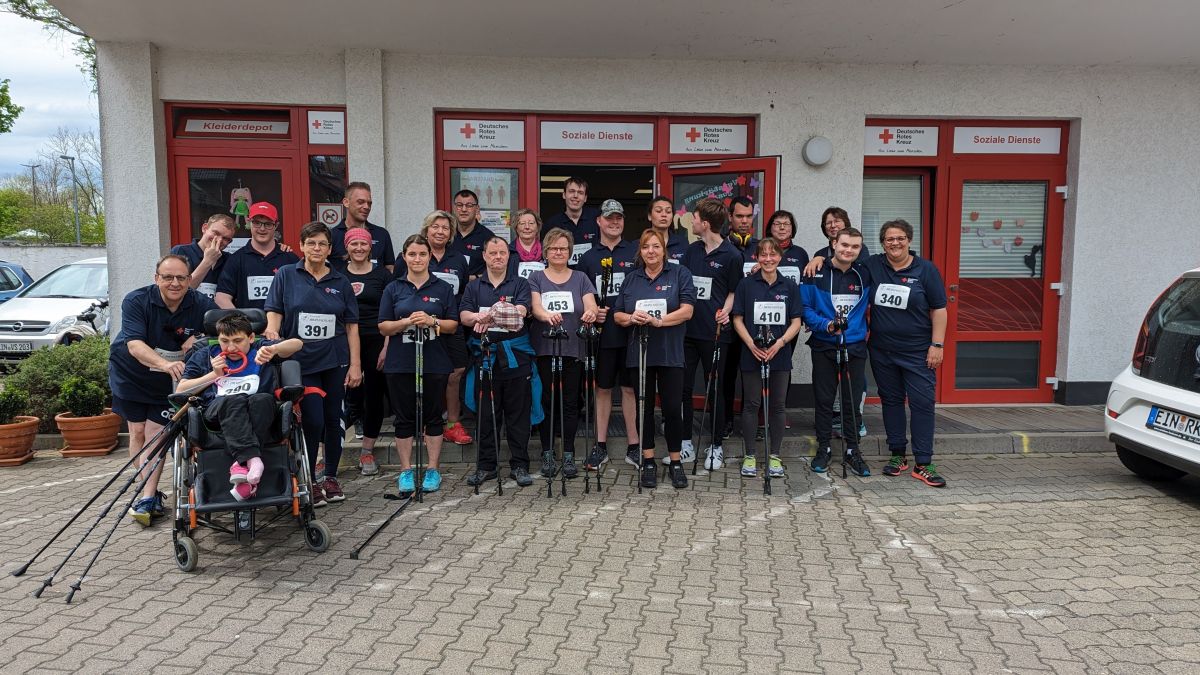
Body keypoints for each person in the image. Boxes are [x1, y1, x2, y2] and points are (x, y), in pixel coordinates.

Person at [808, 219, 948, 487]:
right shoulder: (873, 266)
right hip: (882, 351)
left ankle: (923, 462)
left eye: (900, 238)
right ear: (882, 243)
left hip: (919, 350)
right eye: (889, 239)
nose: (895, 243)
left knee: (921, 404)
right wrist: (817, 258)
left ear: (909, 240)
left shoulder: (926, 270)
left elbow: (939, 309)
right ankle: (897, 455)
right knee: (892, 402)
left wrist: (937, 344)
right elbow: (839, 257)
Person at [111, 254, 216, 525]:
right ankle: (152, 489)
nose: (174, 283)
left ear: (189, 279)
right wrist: (163, 364)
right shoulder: (136, 300)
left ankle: (146, 498)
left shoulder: (201, 303)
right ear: (157, 278)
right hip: (132, 371)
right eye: (167, 277)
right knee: (136, 431)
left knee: (155, 433)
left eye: (181, 277)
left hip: (169, 380)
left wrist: (200, 341)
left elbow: (219, 333)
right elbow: (134, 345)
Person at [265, 221, 362, 506]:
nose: (317, 248)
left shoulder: (341, 282)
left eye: (322, 244)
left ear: (330, 249)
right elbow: (274, 311)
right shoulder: (286, 275)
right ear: (302, 246)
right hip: (300, 362)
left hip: (335, 360)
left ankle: (329, 477)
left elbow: (352, 326)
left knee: (334, 420)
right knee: (313, 419)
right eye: (311, 243)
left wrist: (356, 365)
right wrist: (272, 334)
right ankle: (308, 478)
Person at [178, 312, 303, 500]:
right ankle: (252, 460)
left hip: (259, 411)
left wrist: (274, 349)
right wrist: (214, 374)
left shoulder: (260, 348)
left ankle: (242, 465)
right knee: (234, 399)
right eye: (225, 341)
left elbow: (297, 344)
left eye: (238, 341)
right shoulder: (204, 354)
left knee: (261, 399)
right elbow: (181, 389)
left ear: (251, 338)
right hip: (217, 412)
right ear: (217, 339)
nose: (231, 347)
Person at [613, 229, 696, 489]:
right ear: (640, 251)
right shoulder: (631, 278)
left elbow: (687, 311)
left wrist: (658, 321)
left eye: (656, 247)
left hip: (670, 352)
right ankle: (648, 460)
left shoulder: (680, 273)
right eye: (646, 247)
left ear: (664, 250)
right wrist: (630, 318)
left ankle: (675, 462)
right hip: (640, 354)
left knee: (672, 409)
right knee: (644, 410)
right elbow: (617, 314)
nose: (651, 251)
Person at [379, 234, 459, 495]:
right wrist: (406, 322)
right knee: (404, 419)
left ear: (429, 257)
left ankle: (432, 469)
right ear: (404, 257)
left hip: (434, 361)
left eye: (422, 254)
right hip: (401, 362)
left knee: (433, 416)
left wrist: (432, 321)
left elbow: (452, 324)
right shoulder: (394, 287)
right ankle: (405, 471)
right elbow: (383, 326)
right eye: (412, 254)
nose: (417, 259)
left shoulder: (442, 288)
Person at [460, 237, 537, 488]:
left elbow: (523, 312)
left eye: (502, 252)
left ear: (508, 256)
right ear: (484, 255)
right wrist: (478, 316)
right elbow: (464, 316)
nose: (497, 257)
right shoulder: (474, 287)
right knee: (486, 415)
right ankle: (486, 466)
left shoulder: (521, 284)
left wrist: (492, 315)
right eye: (492, 252)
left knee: (518, 415)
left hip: (516, 359)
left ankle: (520, 465)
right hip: (486, 358)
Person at [398, 210, 475, 447]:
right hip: (417, 325)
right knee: (423, 373)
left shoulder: (459, 259)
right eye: (436, 227)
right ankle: (424, 422)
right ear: (427, 229)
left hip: (449, 323)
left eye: (445, 228)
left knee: (456, 371)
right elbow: (398, 290)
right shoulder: (414, 254)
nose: (440, 231)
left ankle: (452, 424)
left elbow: (463, 291)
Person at [800, 227, 872, 477]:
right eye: (844, 245)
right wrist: (826, 326)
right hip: (824, 344)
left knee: (851, 402)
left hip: (854, 346)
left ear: (860, 250)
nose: (848, 250)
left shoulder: (865, 273)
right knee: (824, 400)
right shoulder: (814, 271)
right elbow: (805, 307)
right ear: (833, 244)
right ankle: (824, 448)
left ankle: (853, 450)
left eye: (854, 247)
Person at [528, 227, 599, 478]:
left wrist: (590, 313)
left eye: (563, 248)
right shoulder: (536, 277)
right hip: (545, 348)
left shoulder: (580, 277)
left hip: (573, 348)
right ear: (545, 251)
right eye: (554, 248)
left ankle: (568, 453)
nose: (559, 252)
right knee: (547, 401)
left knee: (570, 403)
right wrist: (547, 316)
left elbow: (590, 303)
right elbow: (535, 308)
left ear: (570, 252)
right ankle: (547, 452)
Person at [577, 200, 641, 472]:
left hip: (630, 333)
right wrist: (591, 310)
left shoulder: (636, 251)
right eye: (609, 218)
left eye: (619, 218)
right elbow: (581, 294)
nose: (614, 223)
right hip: (603, 336)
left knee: (629, 389)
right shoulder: (589, 257)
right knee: (602, 389)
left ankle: (634, 445)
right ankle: (600, 446)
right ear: (599, 222)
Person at [731, 238, 803, 479]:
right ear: (757, 258)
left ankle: (775, 456)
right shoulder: (746, 285)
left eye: (773, 254)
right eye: (763, 254)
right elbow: (737, 318)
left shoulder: (790, 287)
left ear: (780, 257)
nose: (768, 259)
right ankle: (750, 455)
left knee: (778, 406)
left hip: (779, 354)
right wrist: (751, 343)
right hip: (752, 352)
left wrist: (781, 343)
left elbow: (796, 321)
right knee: (752, 404)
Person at [679, 198, 742, 469]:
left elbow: (734, 290)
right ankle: (683, 442)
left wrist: (726, 311)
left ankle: (715, 445)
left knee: (714, 389)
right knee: (681, 388)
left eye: (694, 218)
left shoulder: (732, 255)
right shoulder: (691, 251)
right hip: (686, 332)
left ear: (704, 224)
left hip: (715, 333)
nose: (691, 222)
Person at [337, 227, 393, 476]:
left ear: (371, 247)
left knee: (373, 396)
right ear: (346, 248)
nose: (359, 248)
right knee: (345, 397)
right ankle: (328, 452)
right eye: (353, 244)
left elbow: (392, 311)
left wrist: (387, 346)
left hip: (376, 341)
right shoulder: (337, 275)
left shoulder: (382, 275)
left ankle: (367, 450)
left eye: (363, 244)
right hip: (342, 342)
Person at [215, 202, 299, 311]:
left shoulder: (290, 259)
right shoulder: (236, 259)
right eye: (257, 223)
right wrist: (242, 323)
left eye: (268, 224)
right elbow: (221, 298)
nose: (262, 229)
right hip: (248, 326)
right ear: (249, 223)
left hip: (283, 327)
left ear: (276, 225)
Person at [722, 195, 757, 439]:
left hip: (753, 323)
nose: (744, 221)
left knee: (751, 375)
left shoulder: (761, 248)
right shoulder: (723, 247)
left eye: (748, 216)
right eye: (739, 216)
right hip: (727, 321)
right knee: (727, 374)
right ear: (730, 217)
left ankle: (750, 423)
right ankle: (725, 421)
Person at [329, 181, 396, 272]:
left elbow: (390, 268)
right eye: (360, 202)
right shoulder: (332, 235)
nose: (366, 207)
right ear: (346, 202)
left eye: (369, 203)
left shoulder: (381, 234)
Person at [171, 213, 236, 299]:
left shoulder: (229, 259)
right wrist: (208, 261)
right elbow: (178, 291)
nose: (219, 240)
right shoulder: (181, 251)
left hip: (218, 311)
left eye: (226, 239)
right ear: (204, 228)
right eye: (216, 233)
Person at [542, 177, 600, 266]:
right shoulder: (552, 224)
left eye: (580, 193)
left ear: (585, 198)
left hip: (591, 275)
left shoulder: (597, 218)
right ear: (564, 195)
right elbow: (545, 253)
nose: (575, 196)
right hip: (562, 275)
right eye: (571, 191)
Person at [746, 209, 808, 284]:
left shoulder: (800, 253)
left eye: (786, 224)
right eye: (777, 224)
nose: (782, 227)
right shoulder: (757, 248)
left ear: (792, 228)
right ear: (770, 228)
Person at [448, 189, 492, 278]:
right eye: (459, 205)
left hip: (476, 289)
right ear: (454, 208)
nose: (464, 209)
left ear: (477, 209)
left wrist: (475, 278)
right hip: (446, 288)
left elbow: (496, 269)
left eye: (469, 205)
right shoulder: (446, 233)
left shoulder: (488, 237)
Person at [646, 196, 688, 264]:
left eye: (668, 212)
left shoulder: (683, 243)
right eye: (658, 211)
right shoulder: (638, 245)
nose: (664, 215)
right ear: (649, 216)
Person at [509, 209, 546, 280]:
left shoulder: (547, 250)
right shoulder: (508, 251)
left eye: (531, 223)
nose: (527, 227)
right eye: (522, 223)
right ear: (516, 228)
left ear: (538, 227)